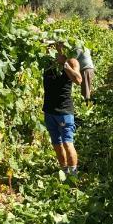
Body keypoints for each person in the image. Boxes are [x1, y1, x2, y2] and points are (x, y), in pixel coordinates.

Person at [43, 42, 82, 175]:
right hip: (48, 110)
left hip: (64, 111)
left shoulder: (71, 62)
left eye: (58, 46)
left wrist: (64, 64)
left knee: (67, 142)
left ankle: (73, 174)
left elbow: (78, 80)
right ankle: (64, 172)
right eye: (53, 46)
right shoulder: (47, 61)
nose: (54, 48)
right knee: (56, 143)